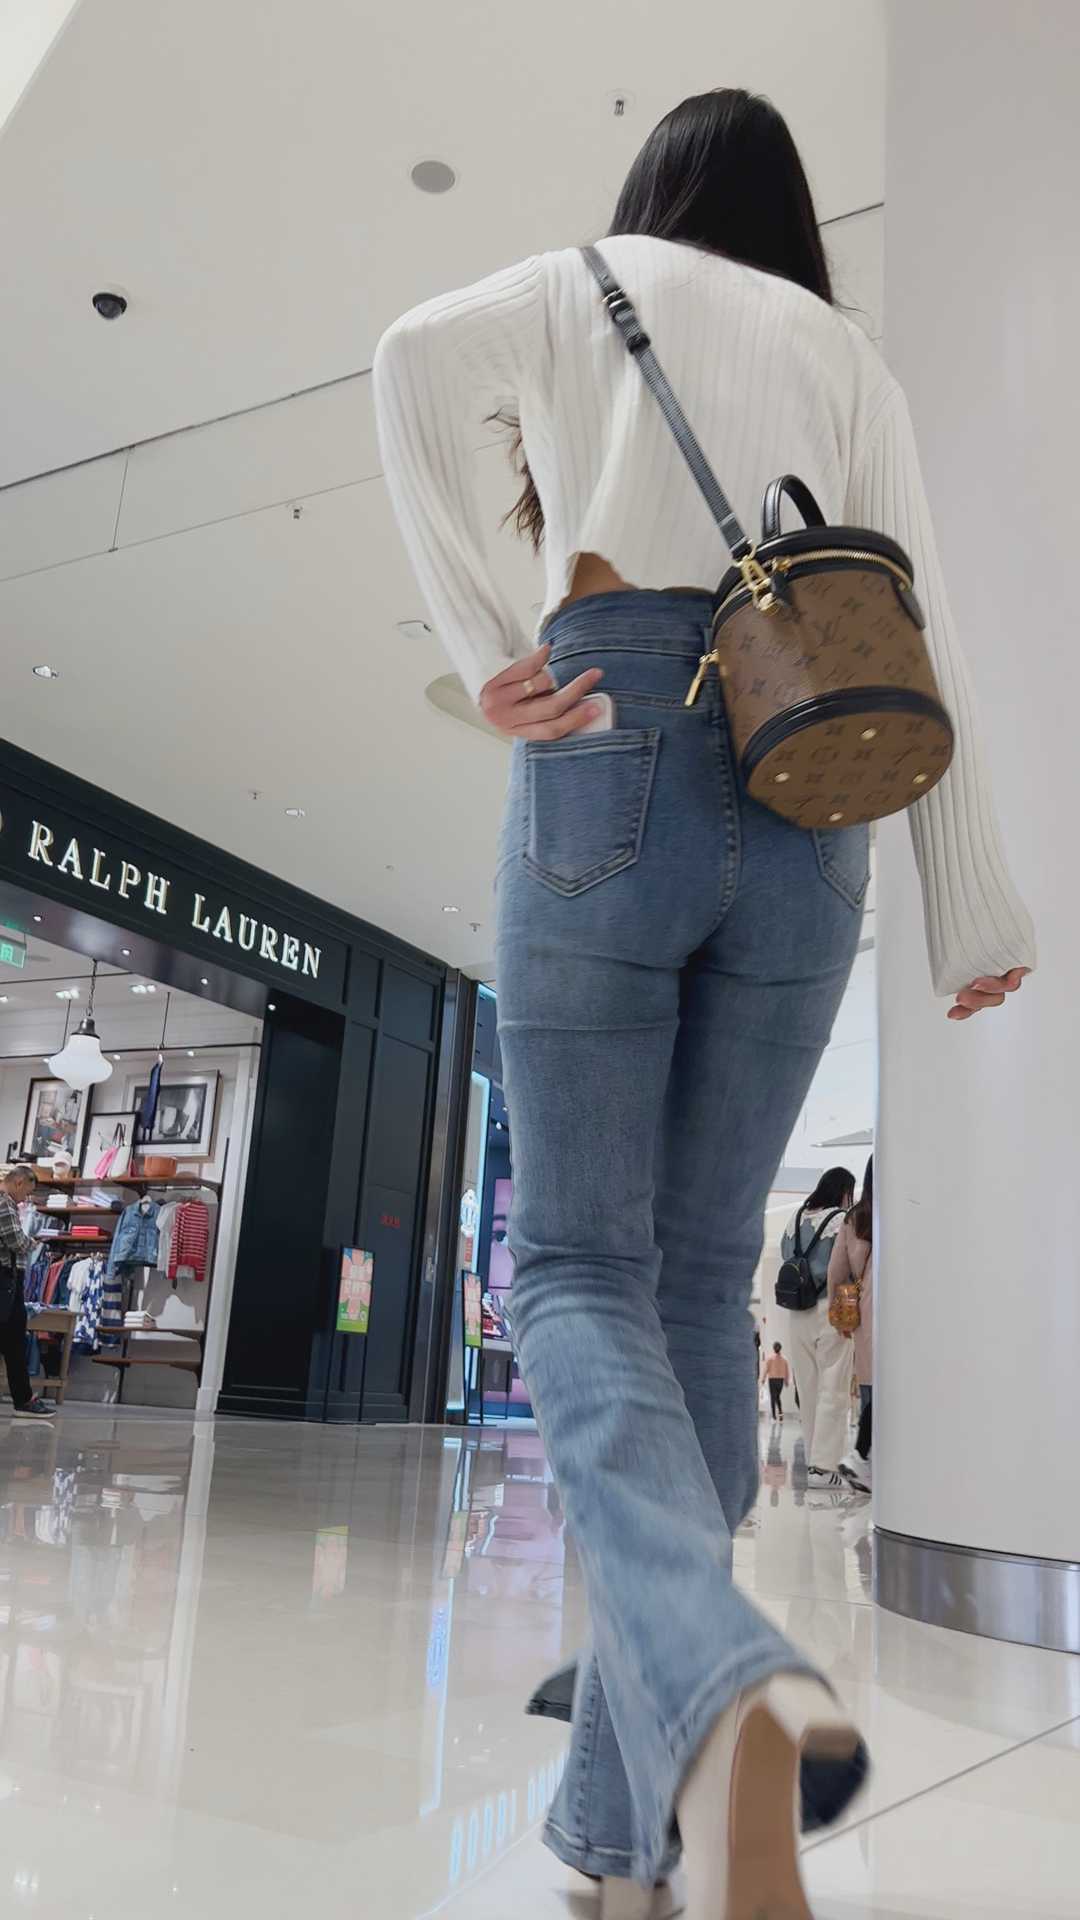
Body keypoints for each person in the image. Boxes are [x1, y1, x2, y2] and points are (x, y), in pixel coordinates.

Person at [376, 84, 1033, 1920]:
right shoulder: (846, 358)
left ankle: (726, 1676)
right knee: (684, 1287)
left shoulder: (587, 283)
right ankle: (624, 1841)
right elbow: (918, 620)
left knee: (576, 1271)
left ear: (655, 188)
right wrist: (971, 896)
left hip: (615, 747)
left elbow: (409, 361)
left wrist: (489, 641)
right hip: (815, 797)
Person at [775, 1167, 855, 1489]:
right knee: (832, 1388)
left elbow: (785, 1256)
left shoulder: (794, 1220)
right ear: (844, 1191)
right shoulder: (841, 1220)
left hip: (797, 1312)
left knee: (807, 1389)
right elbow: (847, 1267)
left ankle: (813, 1462)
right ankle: (825, 1467)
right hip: (830, 1308)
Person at [831, 1158, 874, 1496]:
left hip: (865, 1310)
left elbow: (837, 1271)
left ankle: (865, 1457)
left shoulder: (854, 1217)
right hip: (902, 1310)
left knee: (872, 1387)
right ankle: (863, 1455)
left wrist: (839, 1315)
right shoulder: (907, 1209)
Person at [0, 1165, 54, 1420]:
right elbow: (17, 1242)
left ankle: (24, 1398)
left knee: (13, 1342)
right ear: (19, 1182)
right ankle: (23, 1399)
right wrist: (34, 1242)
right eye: (26, 1192)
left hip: (9, 1280)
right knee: (13, 1341)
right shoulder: (5, 1203)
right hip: (5, 1279)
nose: (26, 1199)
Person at [762, 1341, 790, 1423]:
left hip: (772, 1380)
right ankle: (780, 1414)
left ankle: (774, 1416)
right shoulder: (784, 1359)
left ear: (773, 1348)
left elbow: (766, 1369)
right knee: (777, 1397)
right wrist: (786, 1381)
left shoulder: (770, 1358)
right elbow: (787, 1371)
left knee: (773, 1398)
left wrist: (763, 1379)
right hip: (780, 1380)